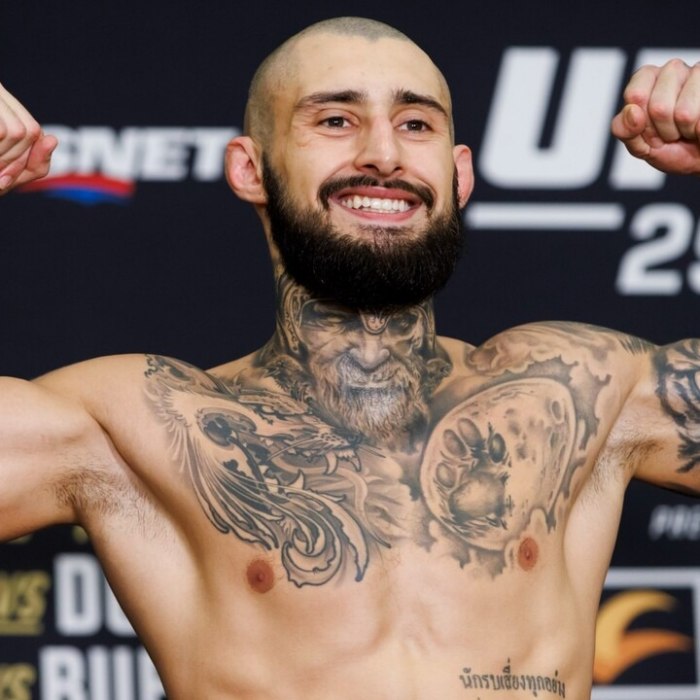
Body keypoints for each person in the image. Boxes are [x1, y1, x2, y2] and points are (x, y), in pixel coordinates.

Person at [1, 15, 699, 700]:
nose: (384, 154)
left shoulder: (577, 392)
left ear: (459, 175)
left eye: (416, 124)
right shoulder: (144, 425)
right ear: (250, 168)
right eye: (335, 120)